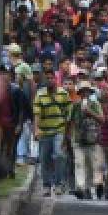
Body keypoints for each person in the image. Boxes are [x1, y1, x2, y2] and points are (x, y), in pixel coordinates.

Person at [33, 69, 73, 197]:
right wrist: (36, 129)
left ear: (55, 79)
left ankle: (59, 183)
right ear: (45, 80)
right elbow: (37, 114)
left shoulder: (63, 93)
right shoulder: (40, 94)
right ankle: (46, 185)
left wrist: (67, 135)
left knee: (59, 155)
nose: (50, 80)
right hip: (44, 131)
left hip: (59, 130)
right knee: (44, 159)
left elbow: (68, 115)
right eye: (47, 78)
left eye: (52, 78)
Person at [68, 80, 104, 199]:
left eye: (86, 91)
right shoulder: (75, 105)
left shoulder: (95, 104)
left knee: (94, 165)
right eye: (82, 91)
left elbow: (102, 120)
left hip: (93, 138)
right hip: (78, 138)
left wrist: (90, 112)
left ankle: (96, 185)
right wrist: (67, 138)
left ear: (89, 92)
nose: (84, 93)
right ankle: (81, 188)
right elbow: (70, 122)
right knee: (79, 163)